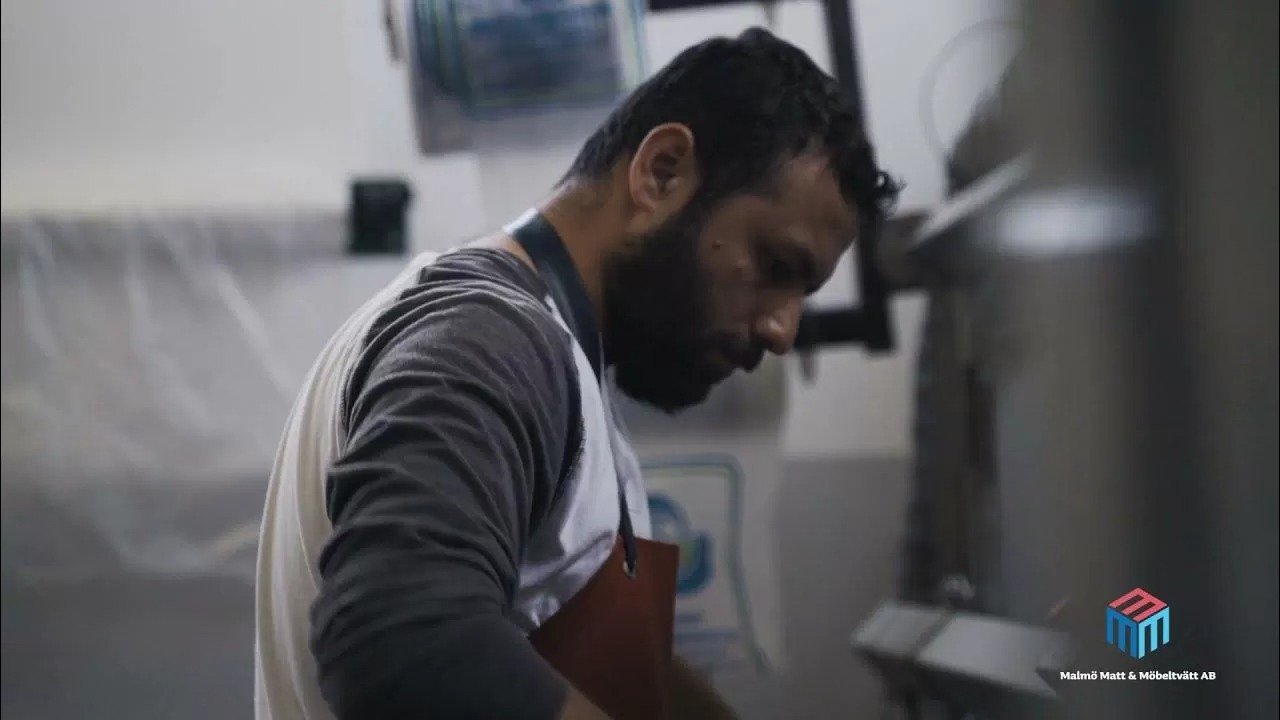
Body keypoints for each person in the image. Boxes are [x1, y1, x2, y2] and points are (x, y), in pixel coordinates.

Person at [255, 27, 897, 720]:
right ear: (662, 172)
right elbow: (399, 639)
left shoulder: (546, 351)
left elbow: (570, 649)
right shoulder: (491, 338)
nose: (782, 331)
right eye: (775, 266)